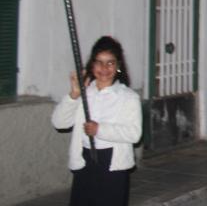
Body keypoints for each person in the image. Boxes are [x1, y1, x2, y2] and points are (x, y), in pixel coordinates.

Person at [51, 36, 142, 206]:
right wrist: (74, 95)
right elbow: (59, 123)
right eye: (99, 62)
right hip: (85, 160)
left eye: (110, 63)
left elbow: (134, 134)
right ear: (92, 65)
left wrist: (99, 129)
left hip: (112, 163)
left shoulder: (128, 97)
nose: (104, 68)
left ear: (118, 66)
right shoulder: (84, 93)